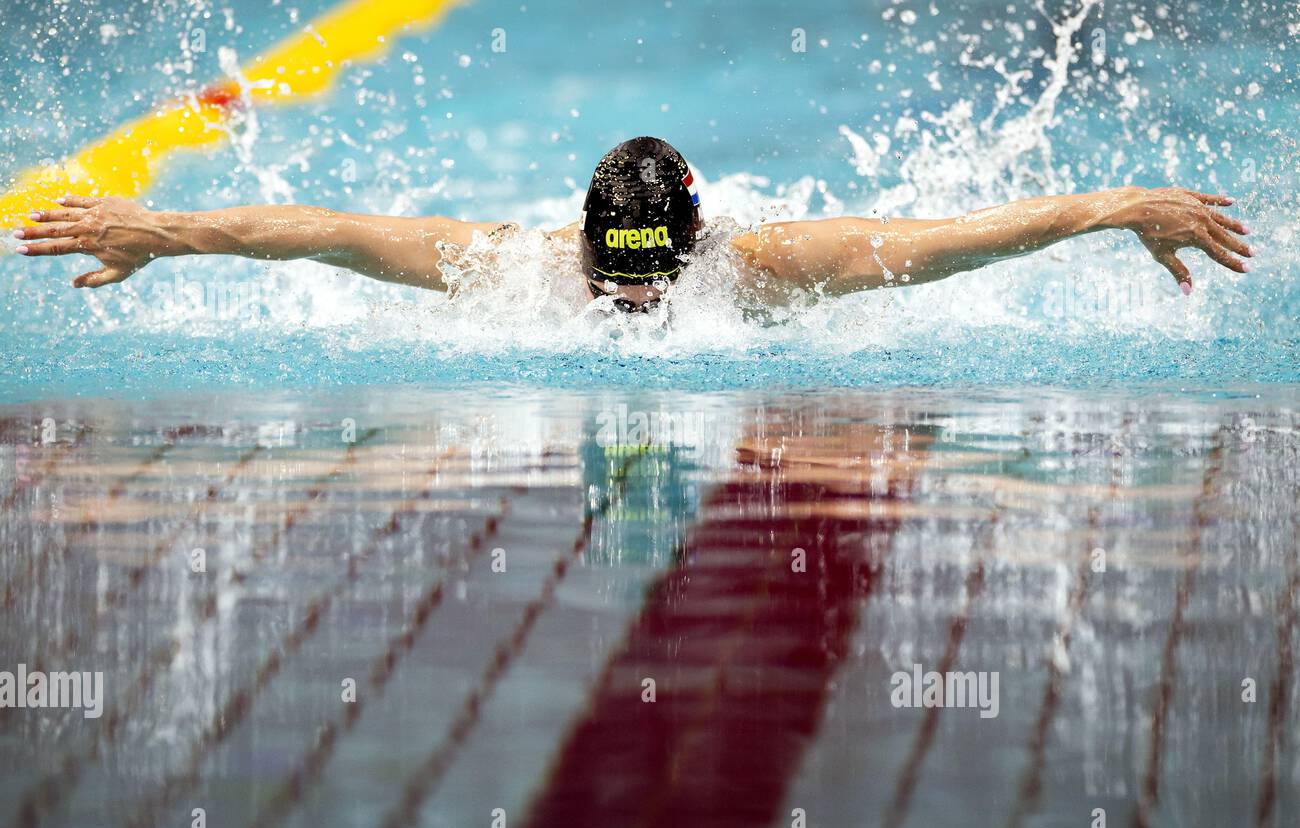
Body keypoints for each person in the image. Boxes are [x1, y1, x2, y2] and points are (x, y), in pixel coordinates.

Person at [13, 136, 1250, 312]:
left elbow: (962, 235)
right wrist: (163, 228)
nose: (636, 303)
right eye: (620, 276)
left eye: (653, 275)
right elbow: (321, 228)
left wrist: (1114, 208)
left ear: (699, 243)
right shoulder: (524, 271)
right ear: (585, 243)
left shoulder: (770, 270)